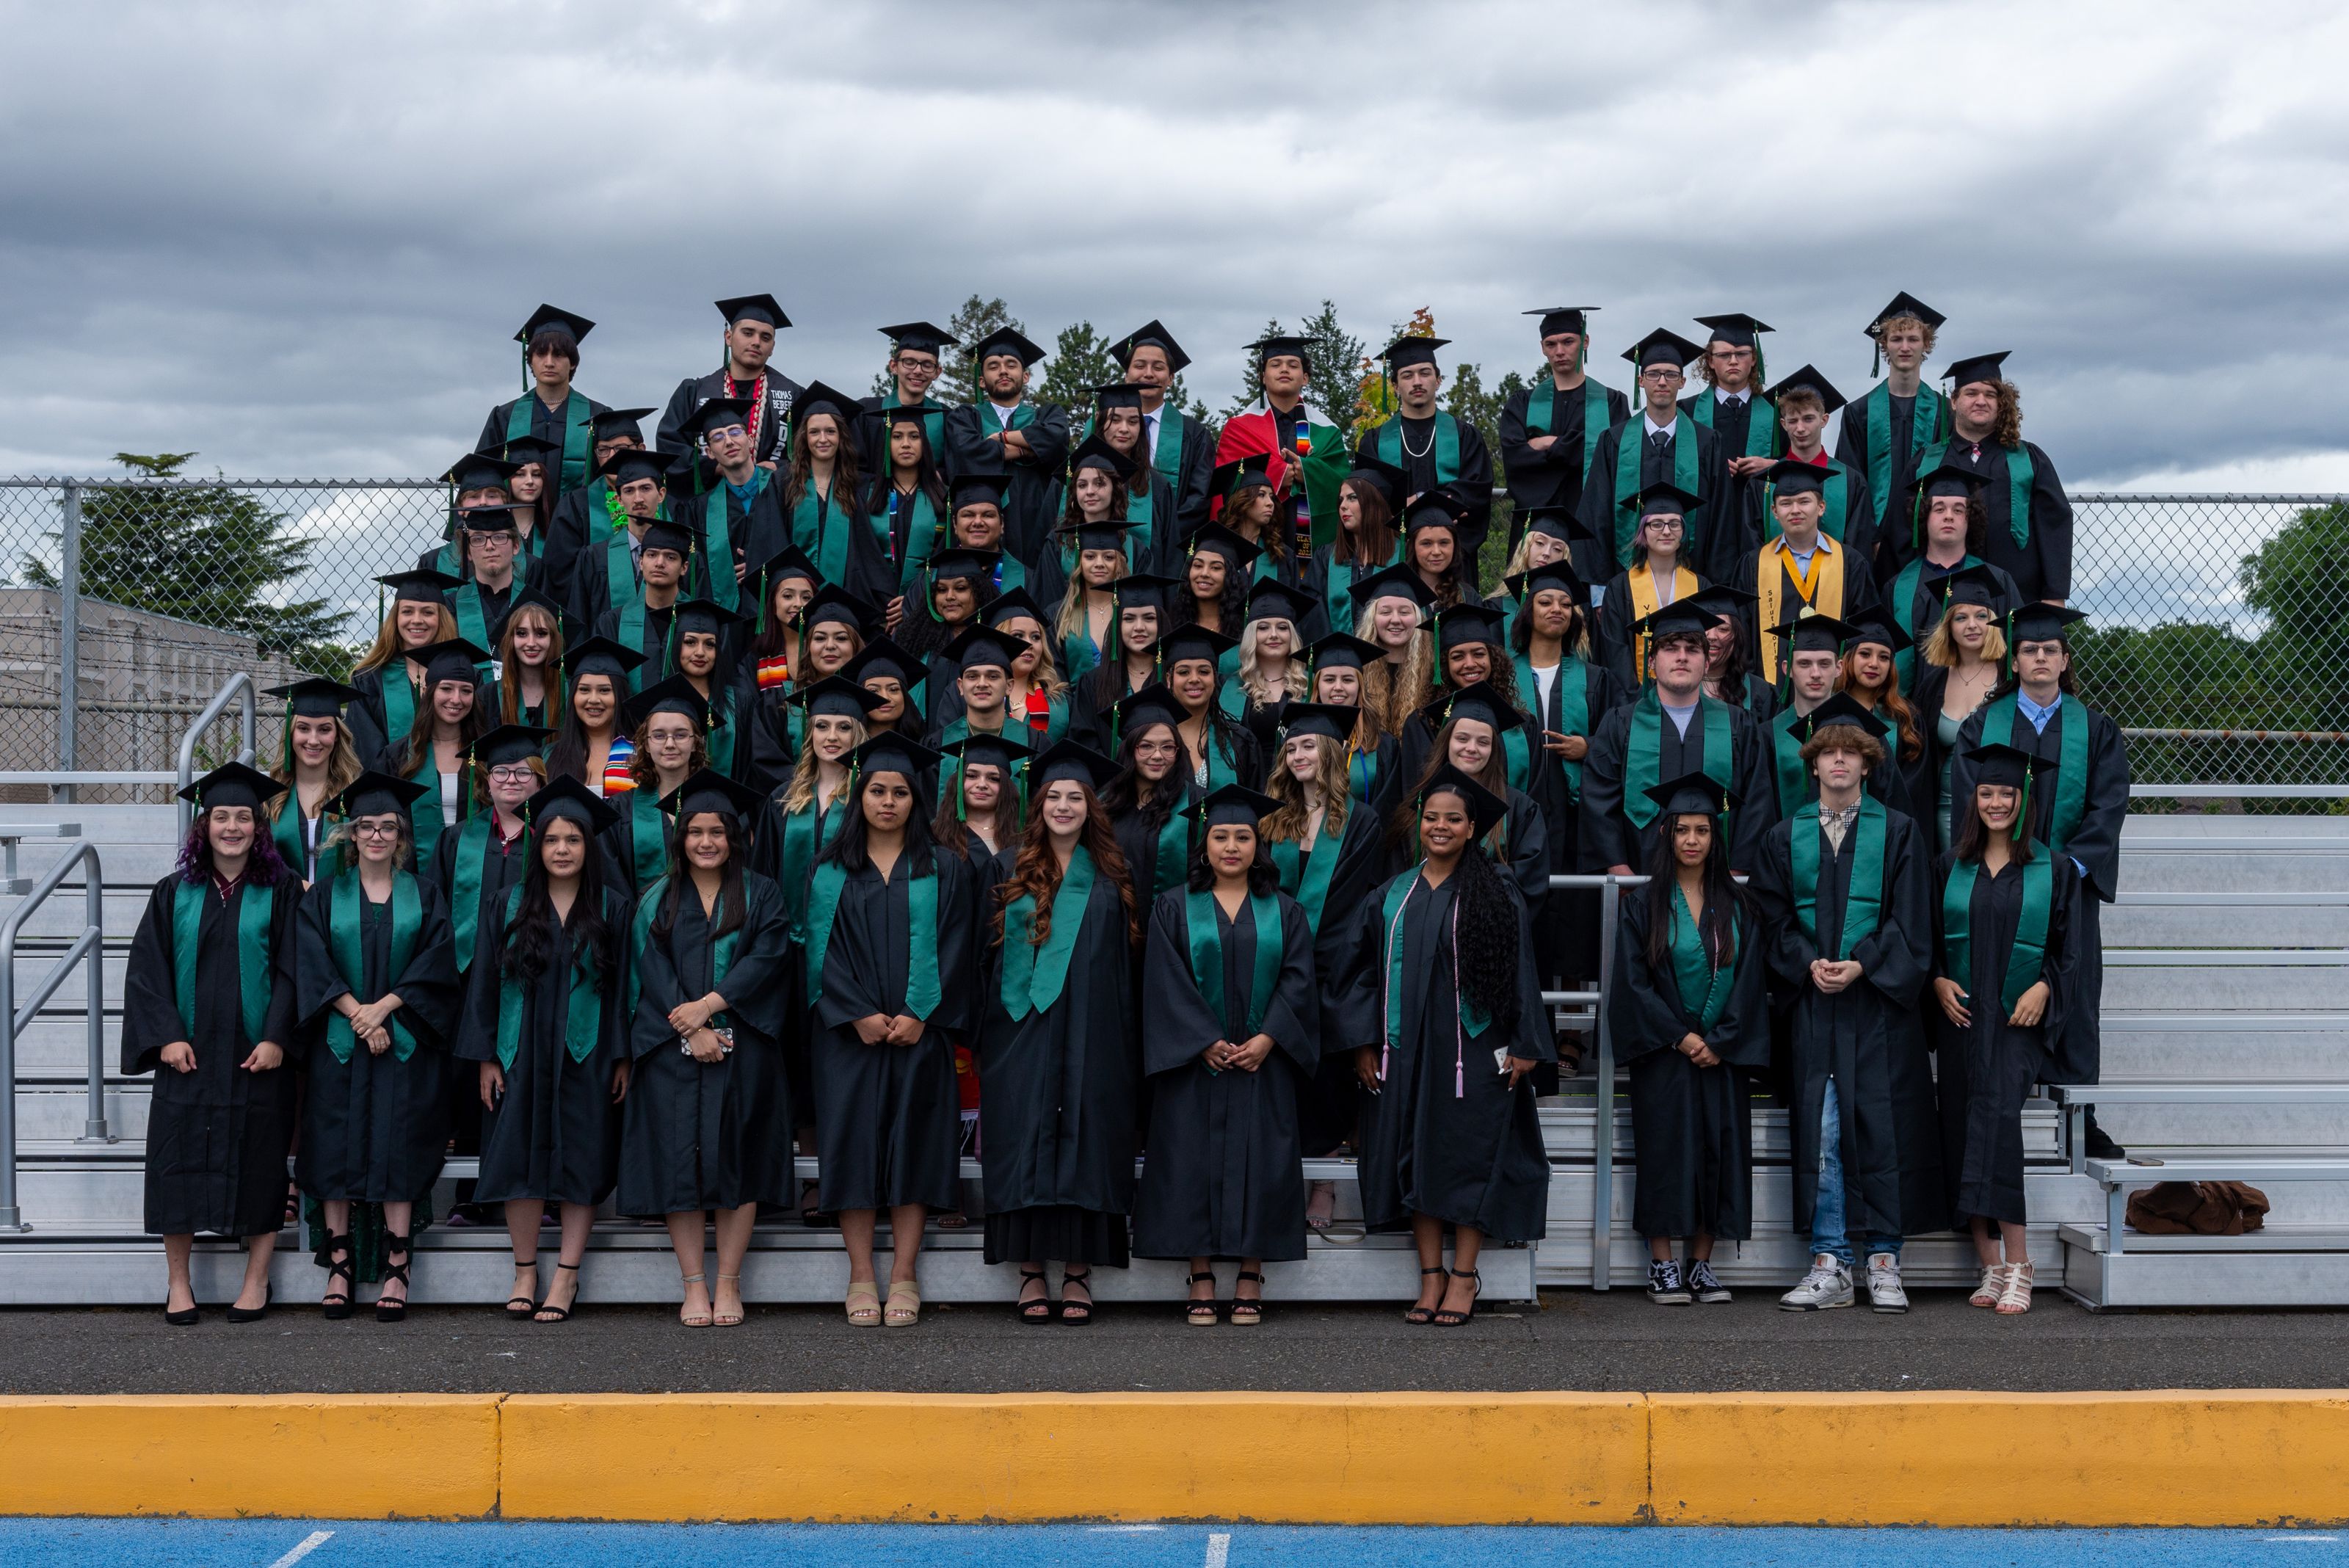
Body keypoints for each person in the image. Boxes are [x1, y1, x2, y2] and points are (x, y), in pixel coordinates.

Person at [1340, 766, 1550, 1326]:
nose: (1440, 827)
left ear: (1472, 827)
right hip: (1404, 1049)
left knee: (1466, 1158)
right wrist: (1364, 1043)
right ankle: (1430, 1276)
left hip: (1472, 1050)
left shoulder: (1496, 889)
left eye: (1453, 819)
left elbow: (1521, 967)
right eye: (1431, 817)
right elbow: (1361, 975)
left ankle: (1464, 1275)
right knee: (1415, 1159)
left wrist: (1526, 1041)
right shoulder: (1392, 894)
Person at [1749, 704, 1943, 1313]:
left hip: (1880, 1010)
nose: (1839, 759)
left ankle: (1884, 1261)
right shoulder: (1786, 836)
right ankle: (1830, 1261)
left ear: (1867, 763)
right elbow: (1772, 919)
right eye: (1829, 751)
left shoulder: (1900, 832)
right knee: (1825, 1133)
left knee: (1884, 1131)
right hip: (1817, 1009)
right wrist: (1807, 961)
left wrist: (1863, 964)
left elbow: (1913, 919)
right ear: (1813, 764)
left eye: (1850, 751)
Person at [1133, 784, 1321, 1324]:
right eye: (1220, 837)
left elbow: (1299, 979)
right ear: (1205, 845)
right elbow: (1163, 979)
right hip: (1196, 1062)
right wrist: (1202, 1040)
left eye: (1243, 837)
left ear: (1258, 846)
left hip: (1263, 1061)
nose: (1232, 847)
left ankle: (1250, 1272)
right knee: (1190, 1159)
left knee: (1261, 1161)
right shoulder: (1173, 906)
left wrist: (1269, 1038)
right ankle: (1200, 1272)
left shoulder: (1284, 910)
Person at [807, 735, 977, 1328]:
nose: (888, 802)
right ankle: (860, 1273)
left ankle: (904, 1272)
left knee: (916, 1145)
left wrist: (920, 1012)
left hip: (919, 1031)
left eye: (900, 793)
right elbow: (817, 949)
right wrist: (854, 1011)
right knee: (852, 1146)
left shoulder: (945, 868)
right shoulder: (828, 869)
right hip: (846, 1034)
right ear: (859, 796)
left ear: (915, 800)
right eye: (877, 791)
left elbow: (959, 945)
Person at [1947, 603, 2130, 1154]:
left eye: (2051, 650)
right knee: (2000, 982)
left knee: (2075, 992)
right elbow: (1970, 800)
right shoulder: (1983, 726)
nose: (2041, 658)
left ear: (2065, 660)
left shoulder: (2094, 729)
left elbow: (2108, 805)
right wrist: (2003, 867)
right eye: (2030, 650)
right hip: (2000, 882)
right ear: (2015, 661)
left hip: (2070, 883)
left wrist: (2067, 869)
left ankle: (2080, 1115)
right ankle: (1997, 1103)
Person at [123, 763, 302, 1324]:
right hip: (189, 1056)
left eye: (243, 817)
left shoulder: (281, 892)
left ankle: (256, 1280)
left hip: (256, 1057)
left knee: (263, 1164)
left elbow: (296, 970)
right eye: (221, 817)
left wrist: (276, 1037)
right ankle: (178, 1284)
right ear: (203, 827)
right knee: (174, 1165)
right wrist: (167, 1037)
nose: (232, 827)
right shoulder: (174, 892)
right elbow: (147, 970)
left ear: (258, 827)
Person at [454, 777, 633, 1325]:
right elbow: (483, 984)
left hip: (588, 1053)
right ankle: (525, 1271)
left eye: (573, 840)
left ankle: (567, 1275)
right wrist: (486, 1056)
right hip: (520, 1051)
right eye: (552, 839)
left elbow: (626, 989)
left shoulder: (614, 909)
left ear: (589, 847)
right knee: (519, 1158)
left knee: (582, 1157)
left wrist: (622, 1056)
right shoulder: (505, 905)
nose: (562, 849)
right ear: (538, 845)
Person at [619, 769, 794, 1329]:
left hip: (745, 1049)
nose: (706, 841)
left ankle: (728, 1282)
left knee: (738, 1162)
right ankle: (694, 1284)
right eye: (695, 831)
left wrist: (710, 1006)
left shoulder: (762, 893)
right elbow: (647, 969)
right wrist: (689, 1026)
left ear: (734, 836)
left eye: (717, 831)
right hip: (675, 1050)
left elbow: (768, 959)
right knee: (680, 1167)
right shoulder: (657, 897)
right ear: (681, 837)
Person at [978, 739, 1141, 1324]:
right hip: (1019, 1033)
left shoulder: (1114, 874)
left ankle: (1077, 1271)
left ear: (1091, 807)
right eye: (1054, 797)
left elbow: (1129, 964)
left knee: (1087, 1141)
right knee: (1023, 1136)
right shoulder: (1006, 867)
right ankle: (1029, 1270)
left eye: (1075, 797)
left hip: (1094, 1032)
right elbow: (982, 955)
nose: (1064, 807)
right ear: (1039, 805)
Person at [291, 772, 462, 1323]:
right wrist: (360, 1018)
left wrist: (382, 1010)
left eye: (388, 827)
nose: (377, 836)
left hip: (405, 1040)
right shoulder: (325, 896)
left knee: (398, 1144)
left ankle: (397, 1263)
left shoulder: (424, 894)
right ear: (351, 833)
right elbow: (310, 962)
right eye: (367, 826)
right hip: (340, 1042)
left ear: (402, 836)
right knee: (333, 1142)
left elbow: (435, 964)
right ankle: (339, 1262)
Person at [1608, 772, 1768, 1304]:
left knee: (1720, 1151)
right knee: (1664, 1153)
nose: (1692, 840)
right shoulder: (1644, 905)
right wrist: (1680, 1036)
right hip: (1665, 1051)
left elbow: (1750, 982)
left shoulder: (1740, 905)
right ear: (1667, 835)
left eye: (1702, 829)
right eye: (1682, 830)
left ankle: (1701, 1264)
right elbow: (1632, 983)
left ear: (1715, 836)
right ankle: (1663, 1265)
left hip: (1722, 1052)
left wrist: (1721, 1039)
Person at [1934, 743, 2079, 1318]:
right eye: (1987, 793)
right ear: (1974, 799)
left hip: (2017, 1023)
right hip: (1963, 1018)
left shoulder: (2053, 869)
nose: (1996, 802)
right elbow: (1928, 941)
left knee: (1995, 1118)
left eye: (2007, 794)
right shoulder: (1949, 867)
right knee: (1961, 1124)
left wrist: (2045, 987)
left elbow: (2071, 951)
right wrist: (1937, 981)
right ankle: (1989, 1264)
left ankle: (2020, 1263)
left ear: (2024, 800)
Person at [1261, 703, 1390, 1231]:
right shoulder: (1272, 818)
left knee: (1328, 1077)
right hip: (1274, 961)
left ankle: (1325, 1181)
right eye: (1290, 747)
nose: (1297, 755)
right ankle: (1280, 1180)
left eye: (1308, 746)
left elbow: (1357, 899)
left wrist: (1312, 953)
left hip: (1336, 965)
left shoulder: (1362, 821)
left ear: (1332, 753)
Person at [1506, 557, 1624, 1035]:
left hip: (1577, 820)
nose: (1556, 609)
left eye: (1565, 603)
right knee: (1526, 918)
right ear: (1528, 611)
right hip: (1521, 817)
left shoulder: (1596, 679)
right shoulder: (1502, 675)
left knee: (1576, 922)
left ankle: (1573, 1034)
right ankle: (1527, 1028)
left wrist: (1588, 747)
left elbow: (1617, 742)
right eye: (1545, 601)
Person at [1580, 602, 1776, 878]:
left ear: (1706, 663)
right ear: (1652, 662)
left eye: (1692, 649)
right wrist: (1618, 869)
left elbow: (1758, 802)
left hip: (1720, 880)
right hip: (1638, 880)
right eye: (1671, 648)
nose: (1682, 657)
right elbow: (1599, 800)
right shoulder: (1620, 724)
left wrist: (1736, 873)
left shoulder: (1739, 724)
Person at [1578, 329, 1733, 584]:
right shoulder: (1614, 441)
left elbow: (1722, 518)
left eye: (1671, 374)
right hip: (1624, 583)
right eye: (1653, 374)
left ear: (1682, 382)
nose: (1662, 382)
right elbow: (1597, 515)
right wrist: (1601, 587)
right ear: (1641, 380)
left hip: (1695, 580)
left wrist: (1715, 588)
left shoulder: (1707, 442)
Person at [1923, 351, 2074, 606]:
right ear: (1954, 401)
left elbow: (2054, 527)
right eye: (1971, 393)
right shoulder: (1927, 462)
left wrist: (2054, 595)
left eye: (1990, 395)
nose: (1981, 401)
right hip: (1945, 602)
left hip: (2020, 599)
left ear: (2001, 403)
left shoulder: (2029, 459)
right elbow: (1905, 531)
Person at [1734, 459, 1879, 689]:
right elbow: (1742, 634)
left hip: (1835, 692)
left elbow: (1864, 631)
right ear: (1774, 511)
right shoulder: (1753, 564)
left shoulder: (1850, 563)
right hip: (1769, 692)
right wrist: (1755, 691)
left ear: (1821, 507)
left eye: (1804, 501)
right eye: (1785, 503)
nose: (1795, 510)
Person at [1834, 292, 1950, 576]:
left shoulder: (1945, 411)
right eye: (1897, 339)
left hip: (1929, 536)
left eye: (1913, 339)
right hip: (1875, 540)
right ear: (1883, 344)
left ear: (1926, 344)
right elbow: (1851, 480)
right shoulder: (1859, 412)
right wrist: (1870, 535)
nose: (1905, 347)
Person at [1357, 333, 1495, 567]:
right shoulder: (1375, 441)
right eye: (1407, 375)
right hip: (1394, 553)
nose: (1417, 382)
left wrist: (1425, 504)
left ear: (1438, 380)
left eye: (1425, 373)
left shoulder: (1465, 436)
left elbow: (1477, 488)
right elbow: (1368, 496)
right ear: (1395, 386)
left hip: (1451, 553)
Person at [426, 724, 548, 984]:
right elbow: (434, 912)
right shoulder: (456, 840)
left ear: (539, 781)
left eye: (523, 772)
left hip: (535, 972)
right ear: (489, 782)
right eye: (501, 772)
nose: (511, 780)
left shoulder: (551, 841)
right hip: (465, 978)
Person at [1500, 307, 1629, 551]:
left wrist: (1548, 444)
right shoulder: (1522, 404)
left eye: (1568, 342)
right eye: (1551, 344)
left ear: (1585, 342)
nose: (1559, 351)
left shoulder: (1612, 403)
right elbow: (1517, 462)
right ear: (1543, 348)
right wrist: (1579, 448)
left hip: (1593, 524)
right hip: (1536, 528)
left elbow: (1614, 458)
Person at [1883, 461, 2022, 682]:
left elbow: (2017, 644)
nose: (1949, 516)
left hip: (1985, 698)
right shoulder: (1898, 588)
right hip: (1912, 701)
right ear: (1924, 516)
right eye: (1939, 509)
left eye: (1958, 510)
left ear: (1970, 518)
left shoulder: (1998, 581)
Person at [944, 326, 1071, 568]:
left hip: (1038, 519)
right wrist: (1028, 451)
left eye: (1011, 365)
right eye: (993, 366)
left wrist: (1000, 439)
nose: (1003, 371)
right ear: (982, 381)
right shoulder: (964, 417)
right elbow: (969, 453)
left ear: (1025, 376)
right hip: (983, 521)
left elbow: (1056, 441)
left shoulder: (1047, 415)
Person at [1910, 565, 2011, 849]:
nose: (1972, 625)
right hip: (1946, 809)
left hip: (1999, 808)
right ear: (1948, 626)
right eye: (1961, 617)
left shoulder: (2009, 679)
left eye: (1981, 616)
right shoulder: (1933, 685)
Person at [478, 304, 610, 503]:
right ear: (530, 361)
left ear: (573, 362)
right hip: (517, 519)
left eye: (558, 355)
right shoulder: (505, 416)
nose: (549, 363)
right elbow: (483, 477)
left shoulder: (597, 416)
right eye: (541, 354)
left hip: (580, 520)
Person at [781, 380, 895, 608]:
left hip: (849, 600)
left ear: (842, 436)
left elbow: (870, 550)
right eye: (814, 432)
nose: (823, 439)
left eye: (830, 431)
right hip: (794, 604)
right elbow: (773, 538)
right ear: (804, 437)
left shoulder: (861, 487)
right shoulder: (783, 484)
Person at [382, 639, 492, 867]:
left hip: (474, 871)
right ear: (427, 691)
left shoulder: (486, 754)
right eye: (446, 688)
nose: (456, 699)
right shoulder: (398, 757)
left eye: (466, 691)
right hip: (411, 874)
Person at [657, 292, 800, 466]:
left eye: (765, 337)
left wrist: (780, 468)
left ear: (772, 348)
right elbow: (670, 448)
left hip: (776, 484)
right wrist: (715, 468)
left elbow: (812, 454)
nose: (756, 342)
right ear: (729, 337)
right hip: (711, 484)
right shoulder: (692, 393)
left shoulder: (795, 396)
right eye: (748, 333)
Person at [667, 397, 777, 617]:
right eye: (718, 437)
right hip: (728, 620)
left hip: (779, 610)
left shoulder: (782, 488)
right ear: (710, 453)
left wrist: (762, 561)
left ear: (750, 440)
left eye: (735, 432)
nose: (728, 441)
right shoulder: (701, 509)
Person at [1760, 365, 1879, 569]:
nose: (1800, 428)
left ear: (1824, 420)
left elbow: (1859, 547)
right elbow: (1753, 544)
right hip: (1775, 581)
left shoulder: (1850, 481)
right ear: (1783, 424)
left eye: (1808, 419)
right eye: (1793, 421)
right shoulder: (1764, 482)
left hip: (1838, 582)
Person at [1591, 482, 1707, 691]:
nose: (1666, 531)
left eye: (1674, 524)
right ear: (1643, 531)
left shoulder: (1701, 586)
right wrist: (1636, 699)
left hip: (1693, 694)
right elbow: (1615, 652)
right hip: (1634, 698)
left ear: (1683, 531)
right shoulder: (1619, 588)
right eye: (1656, 524)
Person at [542, 404, 658, 611]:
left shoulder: (667, 505)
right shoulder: (576, 506)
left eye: (621, 449)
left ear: (641, 449)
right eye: (604, 450)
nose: (612, 457)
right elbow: (560, 576)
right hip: (597, 616)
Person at [1246, 332, 1349, 553]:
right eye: (1275, 364)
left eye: (1293, 365)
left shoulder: (1327, 430)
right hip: (1256, 538)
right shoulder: (1241, 427)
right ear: (1263, 377)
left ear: (1305, 378)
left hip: (1312, 540)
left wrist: (1309, 472)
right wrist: (1279, 474)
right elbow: (1229, 481)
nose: (1284, 369)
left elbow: (1343, 483)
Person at [1108, 319, 1215, 533]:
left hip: (1171, 540)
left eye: (1158, 367)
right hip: (1109, 538)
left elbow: (1200, 499)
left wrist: (1165, 534)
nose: (1148, 374)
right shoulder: (1103, 425)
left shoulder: (1194, 434)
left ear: (1171, 378)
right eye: (1139, 366)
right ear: (1126, 375)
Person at [605, 678, 707, 894]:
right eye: (659, 736)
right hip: (639, 914)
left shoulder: (715, 804)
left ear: (695, 743)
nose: (670, 744)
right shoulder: (621, 809)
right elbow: (613, 883)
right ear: (646, 744)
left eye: (681, 735)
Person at [348, 570, 459, 765]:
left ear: (441, 619)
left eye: (428, 612)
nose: (417, 620)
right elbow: (365, 750)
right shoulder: (369, 680)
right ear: (396, 619)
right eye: (407, 611)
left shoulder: (463, 677)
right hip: (387, 781)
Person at [568, 448, 680, 640]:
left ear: (661, 494)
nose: (638, 499)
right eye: (629, 491)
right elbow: (579, 623)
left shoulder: (681, 556)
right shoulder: (594, 558)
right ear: (619, 499)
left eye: (645, 488)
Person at [264, 678, 363, 885]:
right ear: (291, 733)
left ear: (337, 736)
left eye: (325, 730)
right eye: (303, 728)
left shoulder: (356, 795)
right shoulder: (269, 798)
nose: (313, 740)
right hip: (284, 900)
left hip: (341, 900)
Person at [1758, 611, 1857, 819]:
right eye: (1804, 664)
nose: (1815, 674)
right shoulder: (1767, 737)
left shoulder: (1861, 731)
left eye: (1824, 664)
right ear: (1788, 669)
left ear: (1839, 668)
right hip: (1786, 839)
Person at [1103, 686, 1197, 903]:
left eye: (1168, 747)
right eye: (1146, 746)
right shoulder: (1105, 805)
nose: (1157, 756)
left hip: (1174, 918)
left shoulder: (1195, 805)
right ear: (1129, 750)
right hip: (1117, 917)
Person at [1837, 610, 1929, 826]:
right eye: (1865, 654)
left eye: (1884, 657)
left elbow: (1914, 787)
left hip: (1890, 827)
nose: (1874, 664)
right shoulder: (1831, 711)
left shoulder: (1906, 718)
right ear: (1848, 659)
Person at [866, 399, 954, 620]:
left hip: (928, 610)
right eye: (897, 437)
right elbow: (862, 557)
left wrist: (915, 599)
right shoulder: (866, 496)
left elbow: (947, 557)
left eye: (914, 437)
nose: (906, 444)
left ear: (925, 443)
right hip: (877, 611)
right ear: (886, 443)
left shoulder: (946, 499)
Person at [1301, 456, 1406, 640]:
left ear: (1374, 504)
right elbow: (1313, 614)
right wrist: (1339, 651)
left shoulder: (1403, 553)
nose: (1343, 506)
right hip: (1337, 655)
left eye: (1352, 498)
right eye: (1341, 500)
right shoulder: (1326, 556)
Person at [1346, 563, 1439, 741]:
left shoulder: (1433, 673)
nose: (1395, 620)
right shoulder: (1356, 672)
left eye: (1404, 612)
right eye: (1385, 612)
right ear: (1372, 619)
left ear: (1418, 618)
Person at [1161, 625, 1260, 790]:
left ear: (1214, 679)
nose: (1194, 679)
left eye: (1204, 672)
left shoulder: (1240, 741)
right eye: (1184, 672)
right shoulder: (1154, 739)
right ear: (1169, 679)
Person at [542, 637, 644, 796]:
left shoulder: (641, 754)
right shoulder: (550, 755)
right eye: (584, 690)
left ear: (620, 696)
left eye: (604, 690)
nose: (594, 699)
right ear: (573, 696)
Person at [1045, 504, 1133, 686]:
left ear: (1119, 563)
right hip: (1075, 703)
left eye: (1109, 557)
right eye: (1090, 556)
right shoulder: (1058, 616)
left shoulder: (1132, 612)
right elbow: (1056, 675)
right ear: (1079, 562)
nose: (1099, 563)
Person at [858, 320, 955, 473]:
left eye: (927, 365)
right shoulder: (866, 412)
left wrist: (937, 479)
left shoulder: (947, 417)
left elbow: (954, 468)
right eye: (909, 362)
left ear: (937, 372)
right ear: (894, 366)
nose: (918, 371)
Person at [1227, 578, 1313, 751]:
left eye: (1282, 628)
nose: (1274, 635)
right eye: (1263, 628)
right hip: (1246, 769)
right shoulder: (1234, 686)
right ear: (1252, 636)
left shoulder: (1308, 684)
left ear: (1292, 635)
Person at [936, 732, 1028, 870]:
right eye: (972, 776)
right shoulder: (938, 835)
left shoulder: (1022, 835)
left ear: (1006, 786)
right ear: (958, 781)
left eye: (994, 779)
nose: (982, 784)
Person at [490, 589, 565, 730]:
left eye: (541, 634)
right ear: (511, 639)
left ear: (553, 639)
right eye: (522, 633)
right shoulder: (489, 697)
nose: (531, 643)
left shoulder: (569, 694)